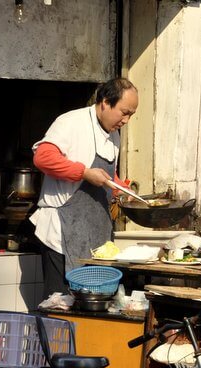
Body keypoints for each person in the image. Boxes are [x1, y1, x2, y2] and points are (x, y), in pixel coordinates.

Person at [31, 78, 138, 295]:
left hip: (94, 236)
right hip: (62, 232)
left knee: (92, 307)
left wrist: (121, 189)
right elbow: (42, 158)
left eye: (131, 115)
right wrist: (84, 173)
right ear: (105, 102)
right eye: (124, 112)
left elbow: (107, 175)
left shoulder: (114, 134)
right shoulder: (71, 122)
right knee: (60, 305)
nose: (126, 120)